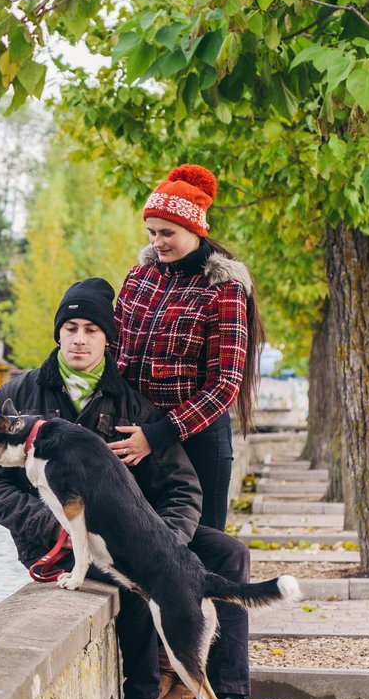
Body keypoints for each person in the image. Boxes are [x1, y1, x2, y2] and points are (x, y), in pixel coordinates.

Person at [0, 279, 286, 699]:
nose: (80, 338)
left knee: (228, 554)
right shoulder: (16, 398)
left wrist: (166, 542)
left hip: (141, 532)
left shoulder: (132, 403)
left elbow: (183, 486)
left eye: (92, 330)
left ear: (108, 339)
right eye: (71, 328)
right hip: (56, 542)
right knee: (135, 577)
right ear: (58, 334)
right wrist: (52, 524)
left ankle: (229, 698)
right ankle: (142, 696)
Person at [112, 164, 264, 531]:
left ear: (195, 230)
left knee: (201, 557)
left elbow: (225, 384)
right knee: (138, 555)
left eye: (167, 232)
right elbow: (114, 351)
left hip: (197, 445)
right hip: (133, 439)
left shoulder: (223, 289)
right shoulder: (139, 277)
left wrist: (158, 434)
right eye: (151, 232)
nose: (156, 242)